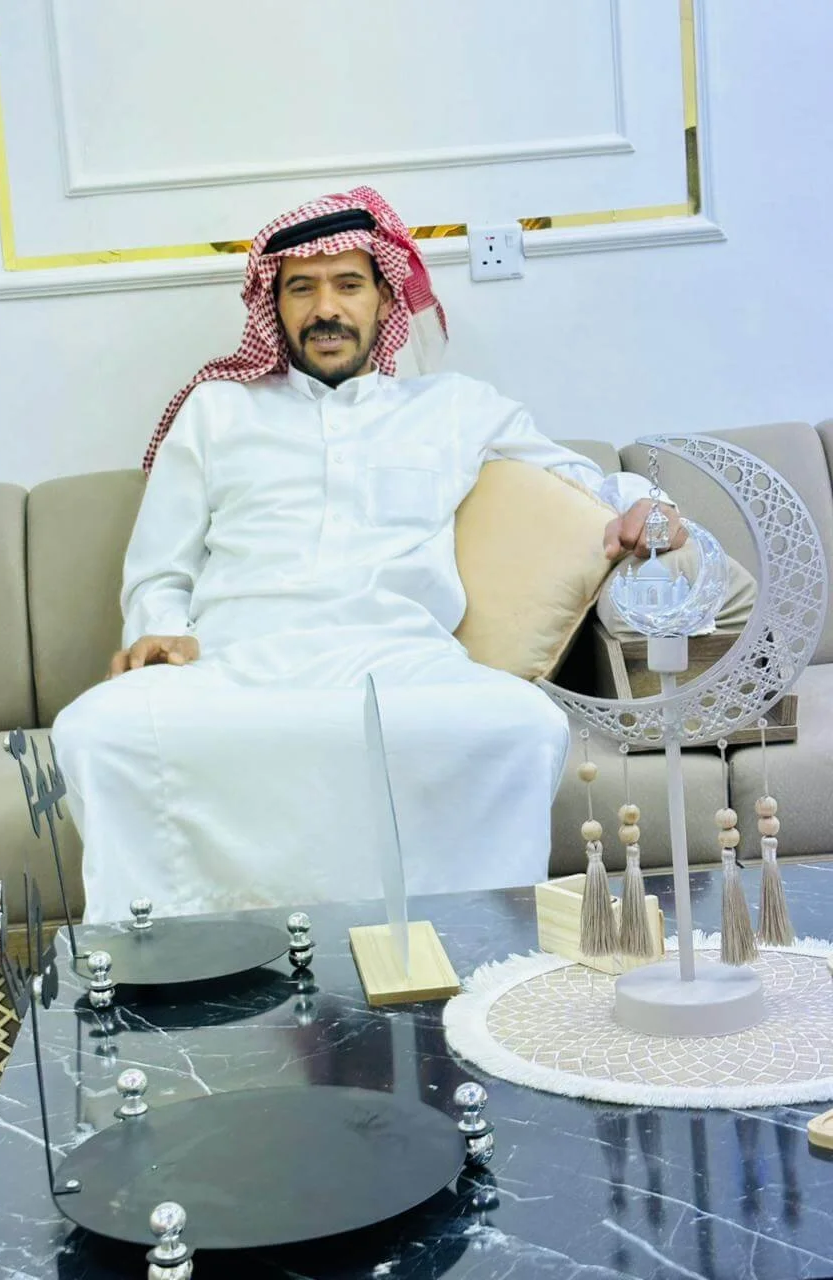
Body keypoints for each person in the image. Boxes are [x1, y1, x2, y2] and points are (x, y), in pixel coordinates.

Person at [53, 186, 683, 925]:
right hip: (237, 662)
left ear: (386, 298)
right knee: (96, 730)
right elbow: (160, 566)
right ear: (273, 305)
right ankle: (179, 949)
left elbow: (582, 482)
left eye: (348, 284)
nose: (326, 308)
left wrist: (649, 507)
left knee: (524, 724)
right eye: (302, 288)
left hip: (402, 660)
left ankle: (468, 945)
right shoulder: (217, 411)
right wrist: (160, 631)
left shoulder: (453, 407)